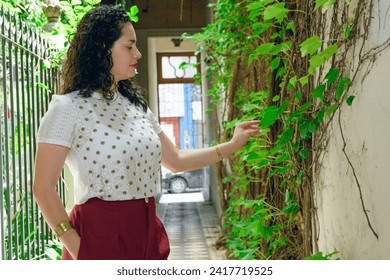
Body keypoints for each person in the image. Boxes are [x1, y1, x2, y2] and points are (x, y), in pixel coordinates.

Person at [32, 4, 260, 260]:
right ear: (101, 49)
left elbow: (175, 160)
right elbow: (43, 187)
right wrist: (79, 248)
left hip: (146, 229)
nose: (137, 53)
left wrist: (231, 145)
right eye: (129, 47)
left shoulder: (136, 106)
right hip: (99, 235)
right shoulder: (67, 108)